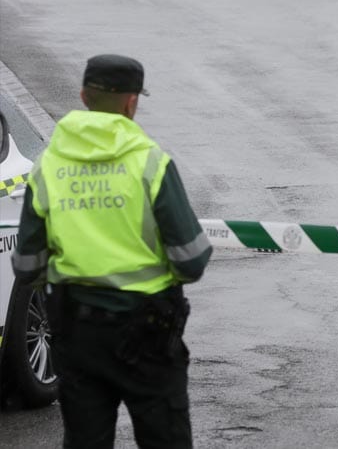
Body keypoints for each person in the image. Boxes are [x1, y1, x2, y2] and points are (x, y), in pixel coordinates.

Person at [12, 54, 212, 448]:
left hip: (77, 332)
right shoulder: (150, 163)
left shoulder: (47, 167)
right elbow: (190, 260)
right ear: (132, 102)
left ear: (84, 95)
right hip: (149, 333)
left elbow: (27, 265)